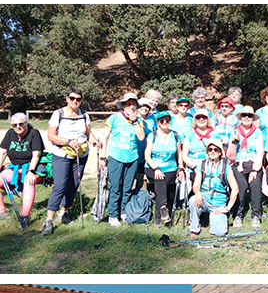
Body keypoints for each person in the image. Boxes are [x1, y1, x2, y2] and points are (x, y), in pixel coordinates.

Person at [41, 88, 101, 235]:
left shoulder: (84, 114)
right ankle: (49, 220)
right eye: (72, 98)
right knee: (60, 185)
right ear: (67, 99)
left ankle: (64, 212)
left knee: (74, 184)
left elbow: (88, 134)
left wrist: (95, 142)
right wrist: (67, 141)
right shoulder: (58, 114)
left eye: (78, 99)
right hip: (62, 154)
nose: (75, 101)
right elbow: (51, 136)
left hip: (80, 155)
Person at [100, 92, 144, 228]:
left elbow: (141, 137)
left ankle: (123, 211)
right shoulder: (114, 118)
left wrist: (135, 120)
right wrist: (103, 156)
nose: (131, 107)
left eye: (133, 105)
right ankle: (112, 214)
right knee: (115, 187)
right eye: (128, 104)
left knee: (127, 187)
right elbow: (104, 138)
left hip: (132, 158)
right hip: (116, 156)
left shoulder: (139, 121)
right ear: (123, 105)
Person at [0, 112, 44, 229]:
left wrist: (31, 171)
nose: (18, 127)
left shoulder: (33, 133)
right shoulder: (10, 134)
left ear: (26, 123)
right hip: (14, 168)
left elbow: (36, 155)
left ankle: (25, 216)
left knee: (29, 181)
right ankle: (2, 212)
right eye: (15, 125)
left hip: (31, 167)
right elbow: (3, 152)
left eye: (21, 124)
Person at [188, 138, 238, 238]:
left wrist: (227, 208)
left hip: (218, 203)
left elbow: (235, 189)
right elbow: (196, 185)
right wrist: (198, 193)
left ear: (220, 152)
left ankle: (214, 219)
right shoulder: (202, 165)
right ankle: (194, 228)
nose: (213, 152)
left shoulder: (226, 167)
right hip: (204, 199)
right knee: (192, 200)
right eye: (210, 149)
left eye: (216, 149)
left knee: (220, 233)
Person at [227, 107, 264, 230]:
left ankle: (256, 215)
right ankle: (237, 214)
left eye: (249, 115)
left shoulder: (257, 132)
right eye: (244, 115)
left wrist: (255, 170)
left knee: (255, 184)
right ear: (240, 117)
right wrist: (234, 143)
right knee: (240, 186)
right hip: (238, 163)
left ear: (253, 118)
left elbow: (260, 152)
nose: (247, 118)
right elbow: (230, 157)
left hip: (253, 163)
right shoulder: (235, 132)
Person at [144, 111, 183, 226]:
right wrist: (156, 168)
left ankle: (159, 214)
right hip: (152, 167)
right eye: (162, 120)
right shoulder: (152, 136)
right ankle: (163, 208)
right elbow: (147, 155)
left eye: (167, 120)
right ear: (158, 122)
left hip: (170, 167)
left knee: (162, 179)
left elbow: (179, 153)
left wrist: (180, 167)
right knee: (159, 178)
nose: (165, 123)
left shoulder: (175, 135)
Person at [182, 110, 215, 184]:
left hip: (211, 165)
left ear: (208, 120)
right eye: (198, 117)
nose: (201, 119)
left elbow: (220, 153)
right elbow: (184, 155)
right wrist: (194, 166)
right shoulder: (190, 135)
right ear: (195, 120)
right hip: (194, 167)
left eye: (204, 117)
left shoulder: (214, 134)